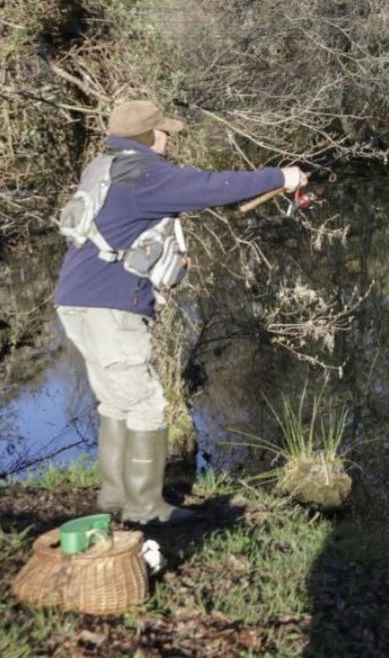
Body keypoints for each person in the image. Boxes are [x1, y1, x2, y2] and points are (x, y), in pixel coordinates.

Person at [53, 100, 307, 524]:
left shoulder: (105, 166)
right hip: (107, 306)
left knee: (115, 402)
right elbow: (212, 187)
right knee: (146, 403)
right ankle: (145, 508)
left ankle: (115, 499)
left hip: (76, 298)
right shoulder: (146, 174)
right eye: (164, 131)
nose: (169, 138)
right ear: (147, 137)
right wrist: (282, 177)